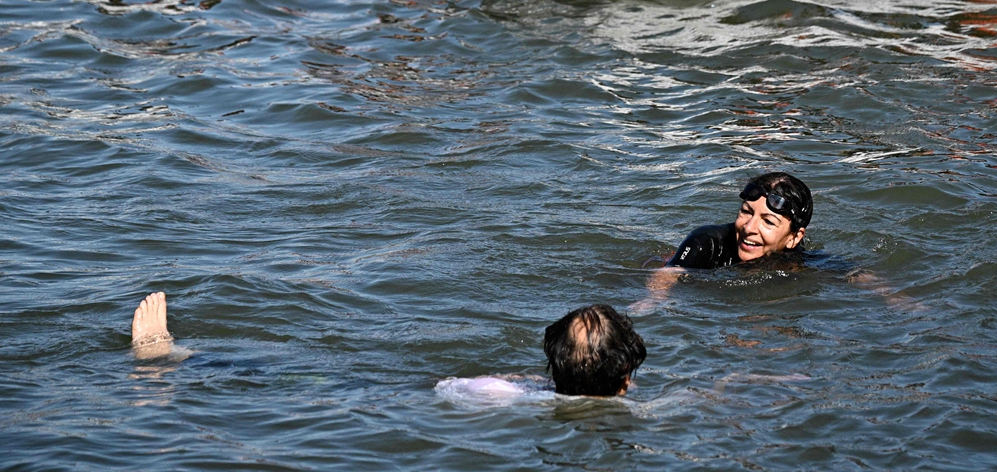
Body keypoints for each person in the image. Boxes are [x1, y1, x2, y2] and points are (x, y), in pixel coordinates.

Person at [128, 294, 646, 399]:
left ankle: (172, 359)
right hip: (405, 396)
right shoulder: (633, 414)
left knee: (291, 378)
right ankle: (172, 360)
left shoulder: (511, 392)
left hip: (396, 394)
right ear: (624, 378)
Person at [631, 172, 814, 313]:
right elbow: (668, 274)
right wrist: (653, 299)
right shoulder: (706, 242)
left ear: (794, 238)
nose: (749, 228)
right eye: (746, 212)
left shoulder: (797, 262)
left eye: (768, 221)